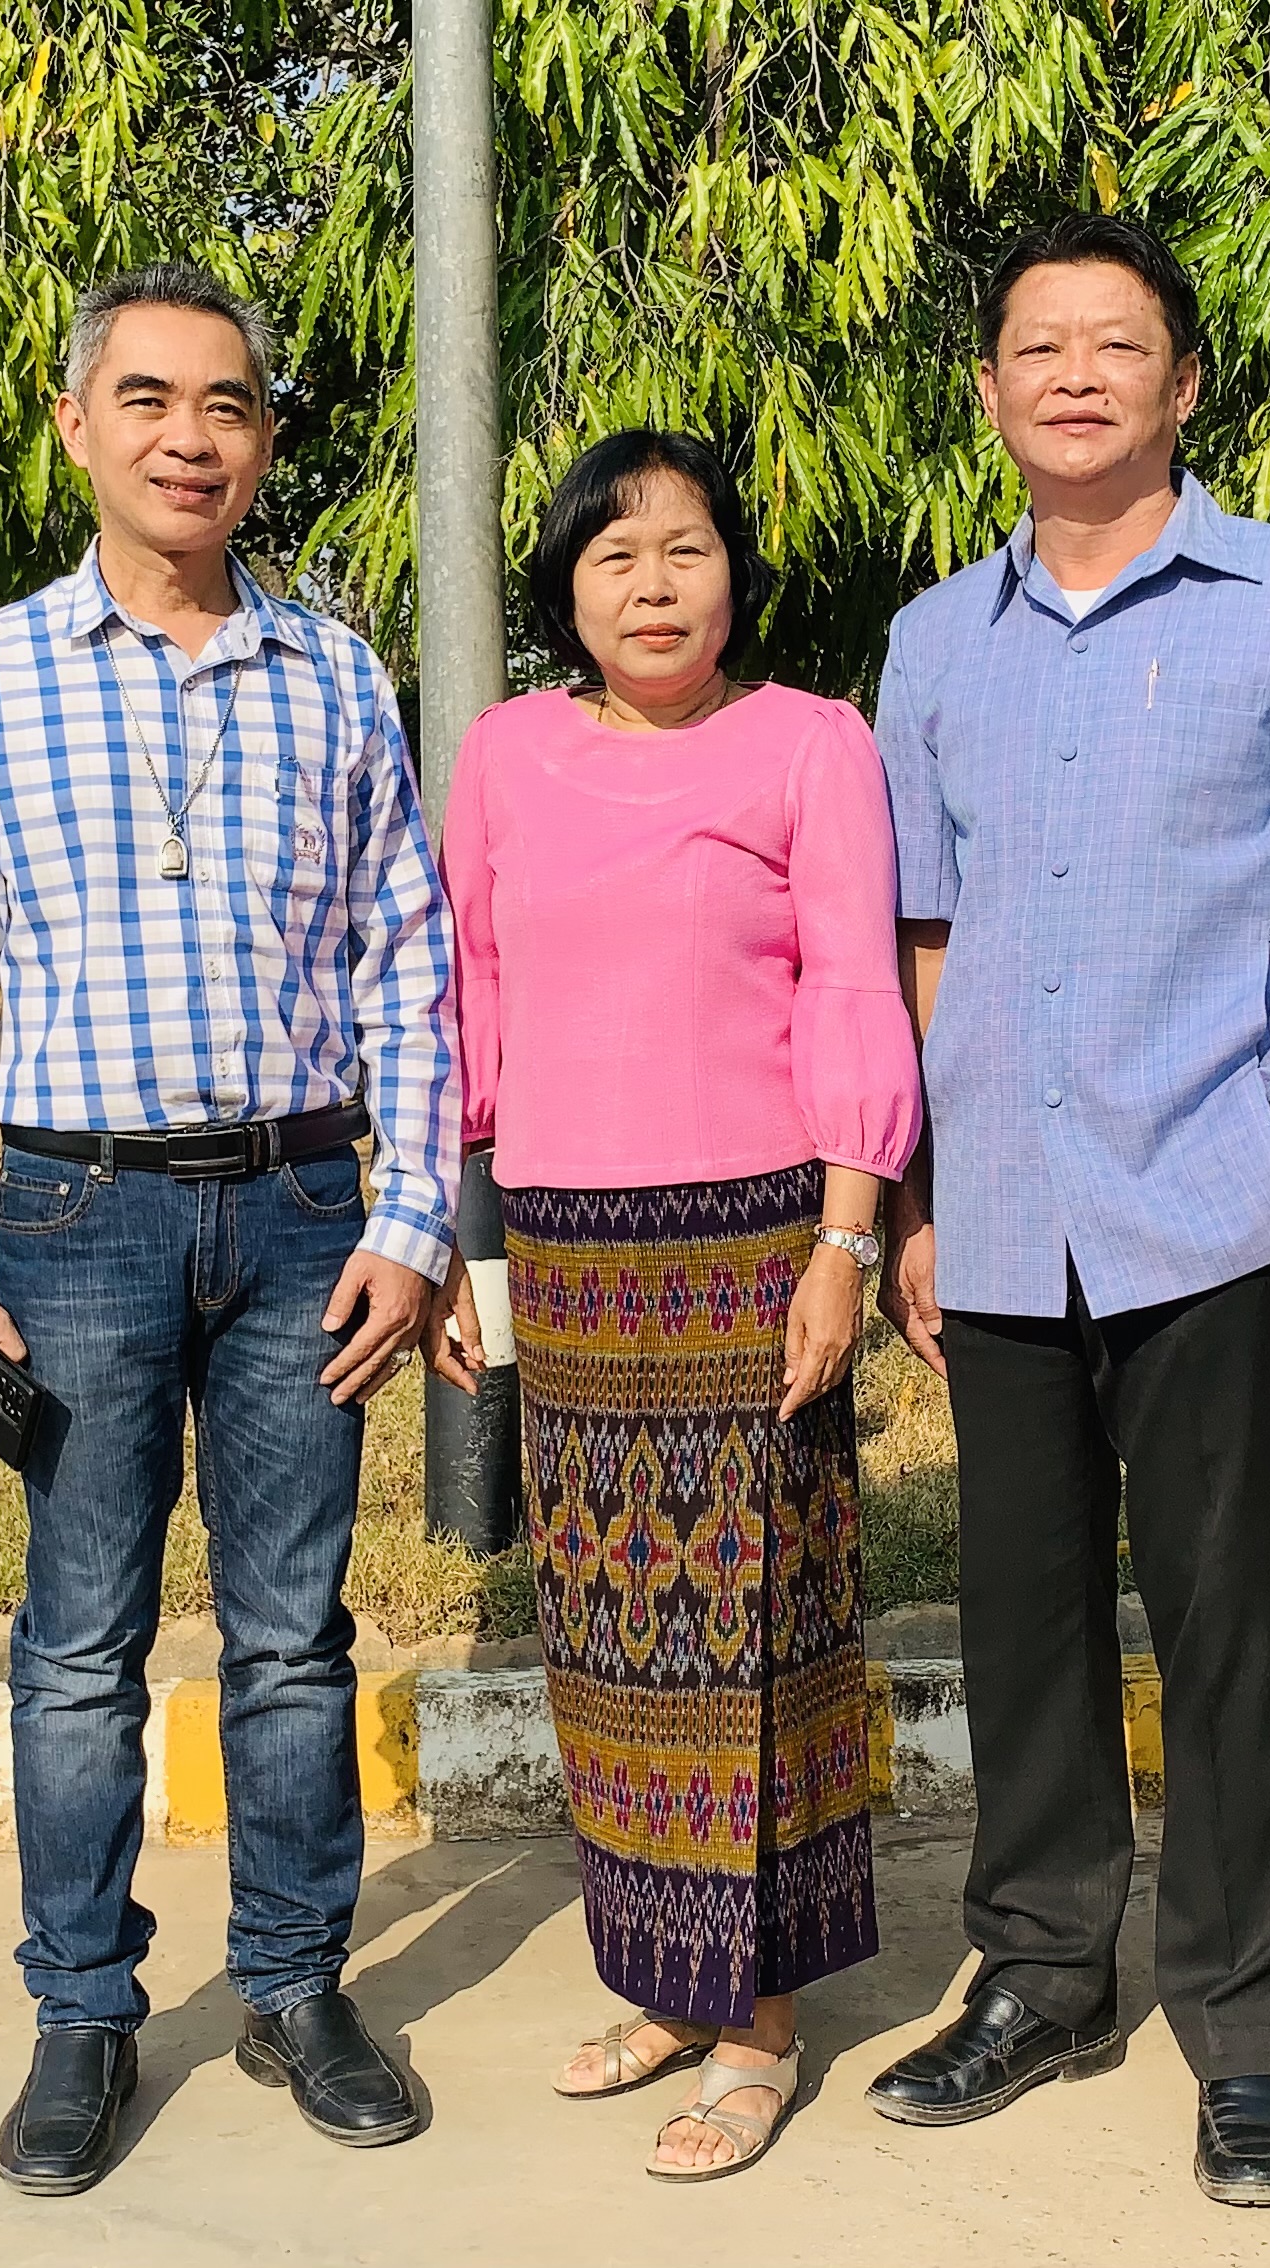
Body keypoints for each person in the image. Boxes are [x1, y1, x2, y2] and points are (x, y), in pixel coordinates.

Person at [857, 213, 1270, 2210]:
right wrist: (921, 1193)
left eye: (1118, 345)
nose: (1077, 376)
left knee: (1220, 1623)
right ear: (992, 393)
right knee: (1019, 1624)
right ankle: (1042, 1976)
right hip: (1002, 1216)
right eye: (1040, 347)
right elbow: (925, 932)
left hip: (1208, 1204)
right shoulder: (936, 642)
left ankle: (1247, 2032)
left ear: (1182, 384)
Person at [0, 264, 458, 2198]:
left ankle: (293, 1983)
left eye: (227, 405)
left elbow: (405, 960)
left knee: (291, 1633)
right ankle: (81, 2011)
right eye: (147, 399)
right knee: (77, 1644)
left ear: (265, 440)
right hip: (74, 1215)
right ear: (77, 426)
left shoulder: (334, 674)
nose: (189, 438)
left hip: (301, 1213)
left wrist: (413, 1214)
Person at [425, 430, 921, 2181]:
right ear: (567, 588)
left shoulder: (812, 743)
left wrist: (846, 1242)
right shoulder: (505, 754)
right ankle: (658, 1975)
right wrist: (458, 1251)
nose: (653, 583)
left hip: (747, 1246)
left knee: (748, 1638)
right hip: (567, 1252)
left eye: (687, 547)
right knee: (608, 1636)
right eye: (614, 553)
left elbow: (856, 988)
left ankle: (760, 2021)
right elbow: (471, 1003)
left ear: (735, 573)